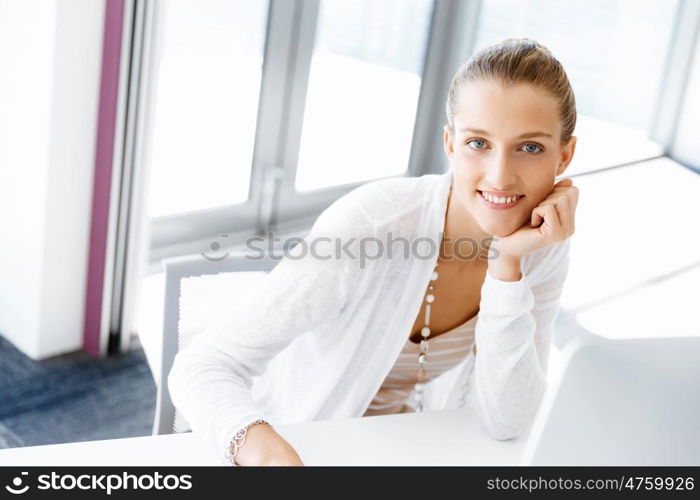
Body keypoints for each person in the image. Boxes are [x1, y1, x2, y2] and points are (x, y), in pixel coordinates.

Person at [167, 37, 580, 466]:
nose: (499, 176)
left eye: (529, 147)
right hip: (297, 442)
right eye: (479, 143)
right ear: (451, 144)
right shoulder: (372, 226)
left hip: (394, 449)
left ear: (564, 156)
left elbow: (509, 420)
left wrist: (507, 267)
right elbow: (202, 365)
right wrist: (267, 457)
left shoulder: (540, 244)